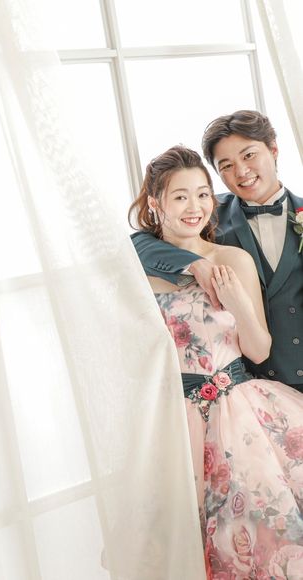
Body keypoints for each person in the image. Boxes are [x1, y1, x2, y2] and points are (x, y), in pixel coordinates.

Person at [129, 145, 303, 578]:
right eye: (180, 196)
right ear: (156, 203)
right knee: (186, 541)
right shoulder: (136, 267)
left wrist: (237, 302)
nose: (195, 207)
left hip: (241, 412)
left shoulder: (232, 258)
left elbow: (258, 349)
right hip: (176, 417)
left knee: (259, 534)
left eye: (203, 194)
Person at [132, 110, 303, 391]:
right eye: (226, 165)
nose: (241, 171)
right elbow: (140, 243)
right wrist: (193, 263)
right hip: (245, 382)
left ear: (273, 149)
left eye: (249, 155)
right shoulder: (206, 213)